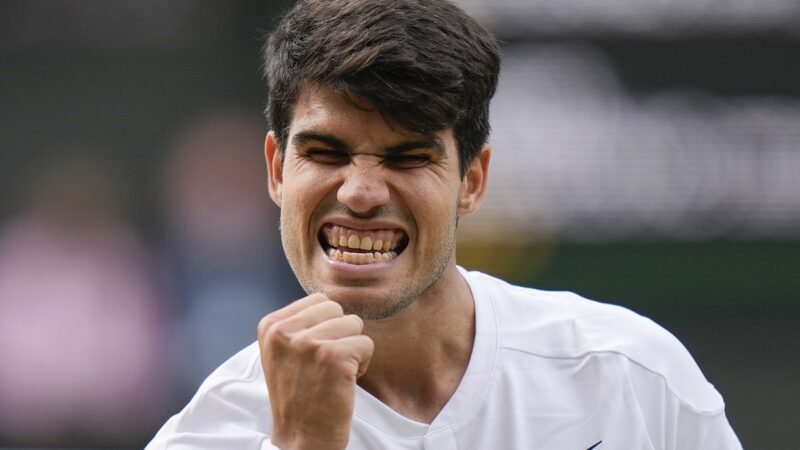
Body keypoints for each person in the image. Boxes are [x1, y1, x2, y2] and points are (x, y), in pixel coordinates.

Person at [148, 0, 742, 448]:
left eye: (408, 157)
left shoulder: (629, 375)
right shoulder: (213, 434)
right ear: (277, 170)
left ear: (472, 181)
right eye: (326, 153)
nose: (359, 193)